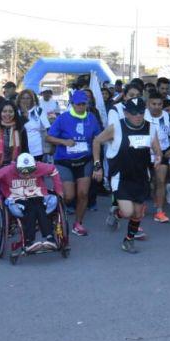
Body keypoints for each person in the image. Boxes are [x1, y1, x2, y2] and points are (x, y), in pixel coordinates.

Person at [91, 97, 162, 253]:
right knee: (128, 212)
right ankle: (118, 211)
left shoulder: (150, 128)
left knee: (137, 213)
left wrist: (158, 156)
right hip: (120, 176)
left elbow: (156, 147)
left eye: (141, 112)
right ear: (125, 113)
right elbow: (96, 141)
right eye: (133, 113)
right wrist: (97, 165)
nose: (137, 116)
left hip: (141, 176)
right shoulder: (116, 127)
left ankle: (128, 240)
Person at [46, 89, 103, 236]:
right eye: (78, 104)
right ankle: (56, 215)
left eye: (83, 104)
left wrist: (97, 162)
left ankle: (78, 223)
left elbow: (97, 139)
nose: (81, 107)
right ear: (72, 104)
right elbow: (49, 137)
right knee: (69, 196)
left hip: (85, 161)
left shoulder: (91, 118)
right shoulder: (63, 118)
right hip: (64, 161)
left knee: (83, 194)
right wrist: (63, 141)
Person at [0, 152, 63, 253]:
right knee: (32, 208)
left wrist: (59, 190)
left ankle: (48, 238)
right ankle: (30, 241)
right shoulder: (8, 170)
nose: (27, 175)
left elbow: (53, 170)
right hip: (16, 197)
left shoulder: (39, 166)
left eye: (30, 172)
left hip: (37, 195)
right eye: (23, 172)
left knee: (38, 206)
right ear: (17, 168)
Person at [144, 90, 170, 224]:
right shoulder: (142, 115)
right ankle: (142, 205)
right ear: (148, 104)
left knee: (161, 181)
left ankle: (159, 211)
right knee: (146, 183)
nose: (157, 107)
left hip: (161, 153)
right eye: (154, 104)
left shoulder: (168, 117)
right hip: (144, 153)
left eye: (159, 104)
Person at [0, 101, 29, 170]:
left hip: (15, 167)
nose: (7, 114)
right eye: (4, 111)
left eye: (10, 111)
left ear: (15, 113)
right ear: (0, 113)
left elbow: (25, 149)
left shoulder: (20, 128)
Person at [16, 90, 52, 162]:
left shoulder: (39, 111)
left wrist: (51, 146)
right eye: (23, 98)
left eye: (28, 98)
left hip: (37, 149)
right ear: (19, 100)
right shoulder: (16, 112)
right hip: (20, 148)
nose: (25, 100)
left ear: (32, 100)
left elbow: (48, 128)